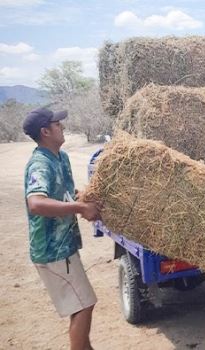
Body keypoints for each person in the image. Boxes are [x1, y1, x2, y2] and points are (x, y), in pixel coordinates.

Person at [23, 107, 101, 350]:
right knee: (83, 305)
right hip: (52, 251)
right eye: (58, 124)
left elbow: (65, 194)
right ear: (45, 131)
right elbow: (35, 203)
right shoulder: (40, 164)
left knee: (82, 304)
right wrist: (80, 207)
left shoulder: (61, 157)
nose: (63, 126)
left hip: (64, 247)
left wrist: (83, 197)